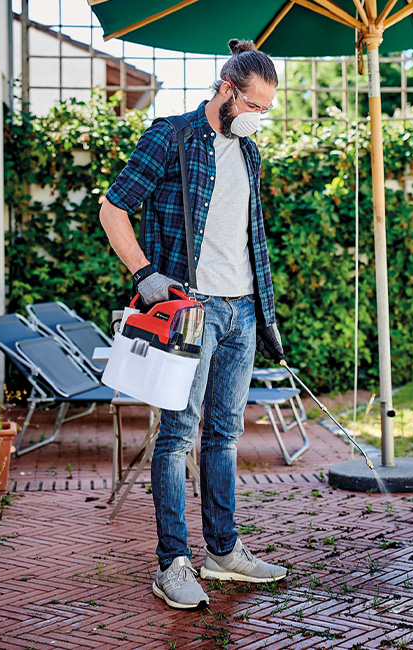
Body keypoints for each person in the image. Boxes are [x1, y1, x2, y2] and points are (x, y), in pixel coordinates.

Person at [99, 39, 287, 610]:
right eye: (254, 105)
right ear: (226, 90)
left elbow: (245, 236)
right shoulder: (170, 136)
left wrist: (262, 310)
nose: (259, 117)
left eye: (267, 110)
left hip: (244, 308)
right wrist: (145, 274)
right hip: (191, 309)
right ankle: (172, 564)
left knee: (225, 435)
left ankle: (224, 551)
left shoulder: (249, 155)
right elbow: (113, 208)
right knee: (177, 434)